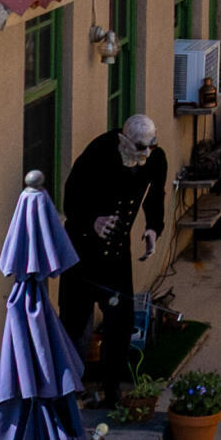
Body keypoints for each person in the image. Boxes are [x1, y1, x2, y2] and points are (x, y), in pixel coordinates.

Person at [59, 113, 166, 396]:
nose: (146, 153)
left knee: (120, 322)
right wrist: (92, 221)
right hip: (82, 250)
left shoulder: (155, 159)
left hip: (117, 250)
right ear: (123, 140)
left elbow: (156, 195)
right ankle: (71, 389)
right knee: (76, 323)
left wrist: (154, 228)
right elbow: (70, 200)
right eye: (140, 147)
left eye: (151, 145)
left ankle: (112, 389)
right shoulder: (97, 155)